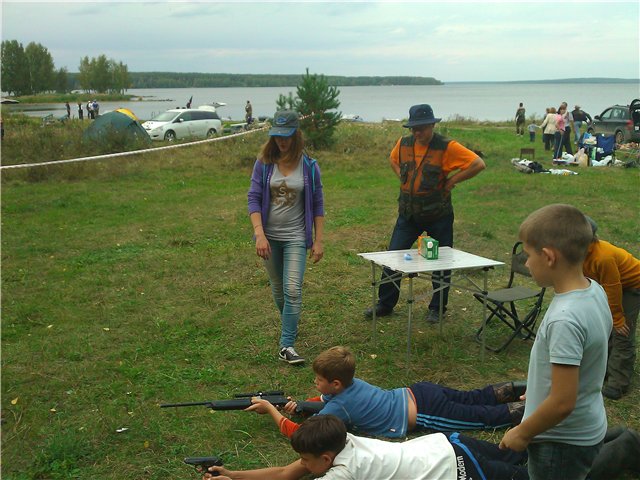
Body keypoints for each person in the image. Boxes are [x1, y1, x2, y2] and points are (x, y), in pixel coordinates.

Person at [499, 204, 612, 480]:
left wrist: (522, 432)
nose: (526, 263)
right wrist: (540, 391)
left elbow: (562, 402)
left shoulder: (565, 319)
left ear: (549, 257)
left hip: (559, 442)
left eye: (528, 255)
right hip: (586, 425)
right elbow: (587, 358)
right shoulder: (594, 291)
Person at [363, 104, 485, 323]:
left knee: (441, 261)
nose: (417, 133)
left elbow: (478, 164)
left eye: (421, 128)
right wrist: (402, 176)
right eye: (414, 128)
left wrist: (453, 181)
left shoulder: (447, 147)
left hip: (439, 215)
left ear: (432, 125)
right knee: (393, 257)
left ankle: (437, 308)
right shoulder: (403, 144)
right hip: (408, 214)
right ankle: (385, 304)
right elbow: (393, 159)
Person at [247, 346, 526, 438]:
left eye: (319, 380)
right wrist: (297, 406)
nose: (315, 383)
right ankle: (516, 389)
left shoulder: (338, 408)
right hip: (420, 392)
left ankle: (528, 410)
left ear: (335, 383)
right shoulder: (351, 384)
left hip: (425, 412)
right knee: (472, 397)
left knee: (479, 417)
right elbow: (319, 401)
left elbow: (301, 435)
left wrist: (272, 410)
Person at [203, 414, 529, 480]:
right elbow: (285, 474)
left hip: (456, 470)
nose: (301, 464)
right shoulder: (342, 440)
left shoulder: (343, 473)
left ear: (326, 458)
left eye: (304, 458)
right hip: (447, 442)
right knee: (524, 457)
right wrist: (233, 475)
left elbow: (289, 473)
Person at [247, 110, 324, 365]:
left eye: (286, 136)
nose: (281, 140)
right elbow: (253, 198)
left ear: (296, 135)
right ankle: (289, 327)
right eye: (277, 136)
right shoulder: (264, 163)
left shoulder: (309, 166)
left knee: (292, 289)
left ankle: (286, 345)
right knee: (278, 288)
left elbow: (318, 204)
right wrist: (259, 234)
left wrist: (318, 240)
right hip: (268, 238)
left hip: (295, 237)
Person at [582, 216, 640, 400]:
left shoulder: (603, 257)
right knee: (605, 330)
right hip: (608, 286)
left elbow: (613, 288)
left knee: (622, 333)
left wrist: (617, 318)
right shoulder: (576, 253)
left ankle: (618, 383)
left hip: (632, 285)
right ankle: (604, 370)